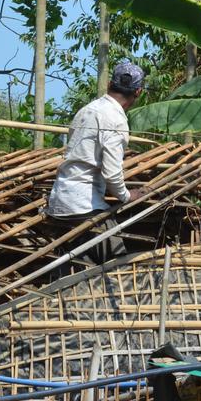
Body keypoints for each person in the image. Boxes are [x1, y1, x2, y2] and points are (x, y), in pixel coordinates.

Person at [46, 61, 145, 265]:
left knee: (77, 267)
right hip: (84, 206)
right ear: (138, 91)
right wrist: (127, 196)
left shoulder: (87, 110)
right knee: (117, 261)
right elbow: (111, 172)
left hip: (59, 201)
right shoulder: (116, 120)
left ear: (110, 84)